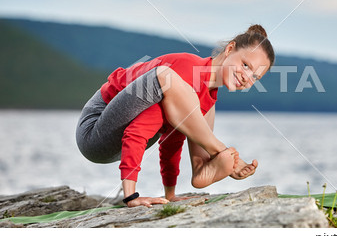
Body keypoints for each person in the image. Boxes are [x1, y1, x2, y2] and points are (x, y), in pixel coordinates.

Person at [75, 24, 275, 207]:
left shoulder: (205, 98)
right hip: (94, 130)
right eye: (246, 65)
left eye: (255, 77)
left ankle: (203, 165)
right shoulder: (186, 70)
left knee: (194, 110)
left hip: (114, 144)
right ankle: (218, 149)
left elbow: (171, 140)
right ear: (230, 49)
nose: (246, 77)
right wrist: (131, 196)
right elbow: (136, 132)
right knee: (166, 76)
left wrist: (169, 194)